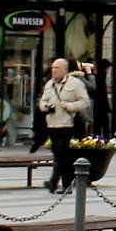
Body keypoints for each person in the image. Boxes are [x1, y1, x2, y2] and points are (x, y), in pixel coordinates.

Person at [34, 57, 92, 192]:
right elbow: (43, 100)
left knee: (61, 153)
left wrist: (70, 106)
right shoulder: (49, 84)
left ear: (65, 70)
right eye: (53, 68)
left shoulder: (75, 84)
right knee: (59, 155)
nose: (54, 70)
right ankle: (60, 183)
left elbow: (85, 102)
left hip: (68, 124)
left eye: (57, 68)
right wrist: (44, 106)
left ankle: (60, 183)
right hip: (52, 124)